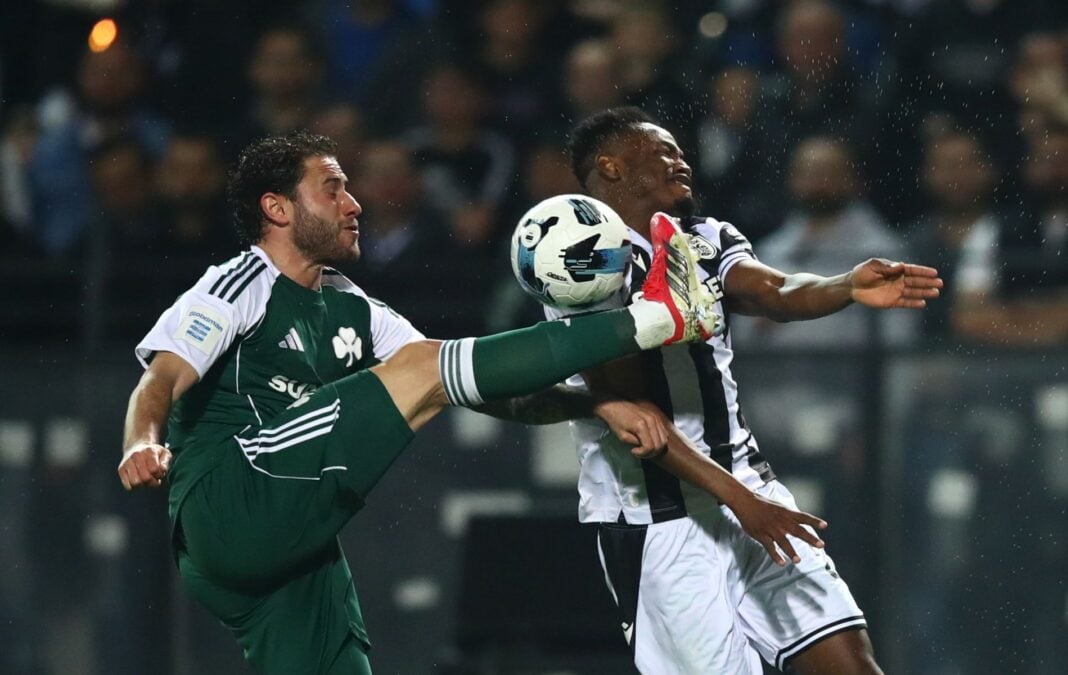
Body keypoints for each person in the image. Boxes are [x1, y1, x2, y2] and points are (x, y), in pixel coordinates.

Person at [118, 130, 824, 674]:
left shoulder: (354, 308)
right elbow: (162, 378)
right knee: (426, 365)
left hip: (278, 555)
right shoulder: (238, 283)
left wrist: (590, 405)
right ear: (276, 208)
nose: (354, 204)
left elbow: (471, 386)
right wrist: (141, 441)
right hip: (229, 496)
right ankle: (658, 317)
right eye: (331, 189)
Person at [556, 107, 943, 674]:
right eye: (663, 151)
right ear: (612, 166)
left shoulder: (705, 238)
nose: (681, 160)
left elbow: (775, 291)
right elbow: (639, 419)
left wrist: (845, 286)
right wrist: (742, 502)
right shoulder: (578, 263)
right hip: (657, 521)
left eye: (681, 151)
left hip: (751, 493)